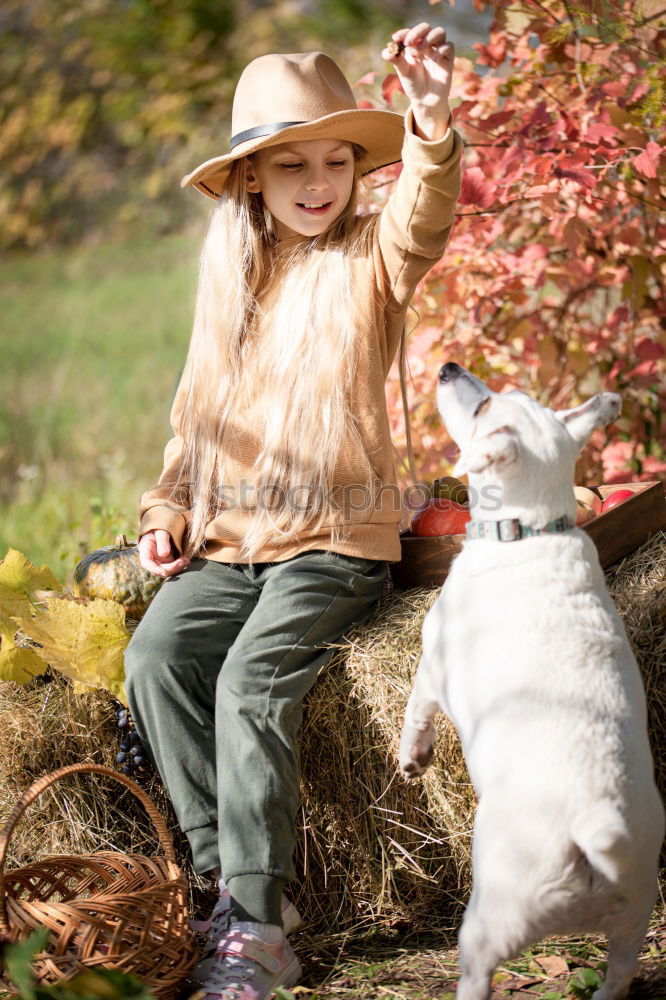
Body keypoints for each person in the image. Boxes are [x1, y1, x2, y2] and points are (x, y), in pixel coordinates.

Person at [124, 20, 462, 1000]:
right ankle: (223, 888)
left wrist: (431, 118)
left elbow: (424, 216)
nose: (320, 182)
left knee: (250, 679)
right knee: (157, 656)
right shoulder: (228, 289)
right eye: (293, 165)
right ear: (251, 181)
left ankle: (261, 928)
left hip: (332, 541)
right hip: (231, 545)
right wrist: (165, 509)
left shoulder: (369, 261)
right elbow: (193, 425)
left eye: (337, 161)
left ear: (359, 173)